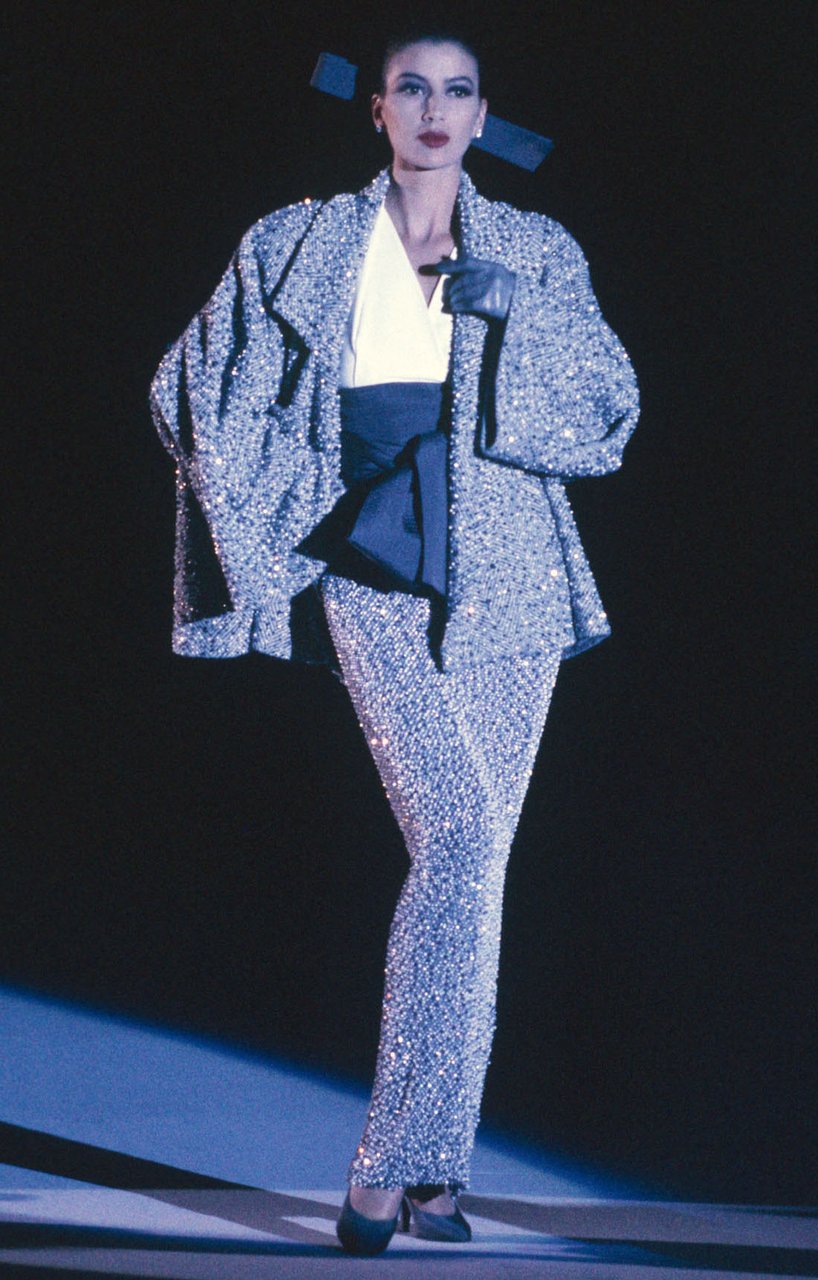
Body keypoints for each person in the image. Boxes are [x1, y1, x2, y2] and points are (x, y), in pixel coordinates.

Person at [150, 25, 639, 1256]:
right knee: (462, 839)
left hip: (512, 583)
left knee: (476, 871)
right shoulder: (301, 242)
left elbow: (608, 414)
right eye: (411, 88)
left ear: (481, 114)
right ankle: (387, 1162)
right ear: (375, 108)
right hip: (368, 572)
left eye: (456, 90)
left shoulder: (535, 249)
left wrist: (512, 319)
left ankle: (435, 1169)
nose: (433, 108)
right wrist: (268, 500)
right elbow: (185, 386)